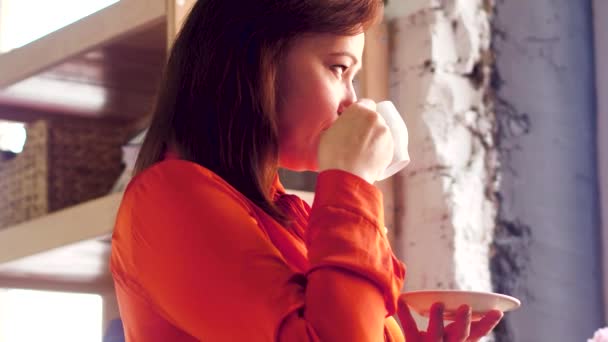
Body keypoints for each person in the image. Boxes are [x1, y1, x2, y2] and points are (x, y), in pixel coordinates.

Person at [109, 0, 503, 341]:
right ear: (259, 61)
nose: (351, 101)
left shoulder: (280, 213)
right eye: (338, 69)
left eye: (353, 77)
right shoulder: (171, 198)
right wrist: (352, 180)